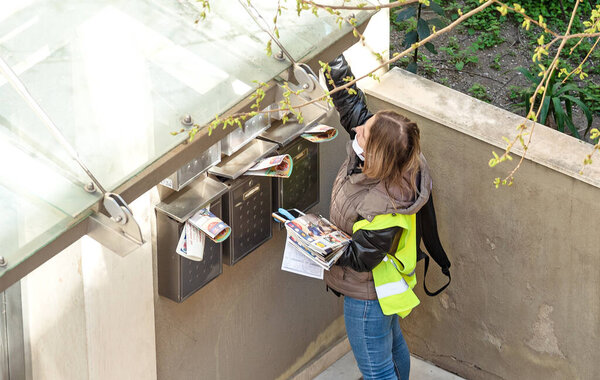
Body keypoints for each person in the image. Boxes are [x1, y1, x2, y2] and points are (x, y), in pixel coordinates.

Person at [323, 55, 449, 380]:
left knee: (376, 370)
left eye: (364, 133)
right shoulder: (400, 156)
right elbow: (354, 110)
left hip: (368, 295)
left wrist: (314, 240)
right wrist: (331, 60)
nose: (358, 129)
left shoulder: (383, 206)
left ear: (376, 153)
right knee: (392, 349)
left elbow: (361, 258)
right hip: (388, 287)